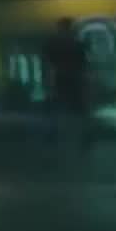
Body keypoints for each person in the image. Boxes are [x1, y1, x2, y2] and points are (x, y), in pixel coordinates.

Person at [41, 17, 91, 150]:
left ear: (59, 28)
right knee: (79, 110)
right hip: (74, 79)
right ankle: (83, 138)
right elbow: (84, 66)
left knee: (57, 108)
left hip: (62, 78)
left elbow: (48, 64)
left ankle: (55, 137)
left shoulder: (52, 44)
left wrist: (49, 82)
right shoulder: (78, 44)